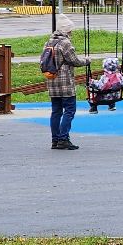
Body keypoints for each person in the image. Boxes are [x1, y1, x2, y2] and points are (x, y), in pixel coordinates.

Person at [46, 14, 90, 150]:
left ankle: (55, 139)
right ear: (66, 30)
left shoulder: (49, 42)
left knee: (56, 111)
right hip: (65, 83)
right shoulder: (65, 43)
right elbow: (74, 61)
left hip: (52, 82)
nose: (71, 32)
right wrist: (87, 61)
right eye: (70, 30)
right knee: (69, 110)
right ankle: (63, 138)